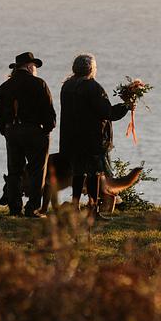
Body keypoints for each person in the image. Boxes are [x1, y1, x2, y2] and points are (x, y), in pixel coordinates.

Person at [59, 53, 131, 219]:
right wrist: (126, 106)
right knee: (94, 174)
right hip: (91, 138)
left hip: (71, 138)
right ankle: (92, 209)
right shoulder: (93, 87)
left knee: (78, 173)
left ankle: (75, 206)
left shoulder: (67, 86)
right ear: (91, 69)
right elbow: (107, 112)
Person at [0, 51, 57, 217]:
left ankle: (15, 207)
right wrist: (47, 129)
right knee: (37, 170)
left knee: (14, 171)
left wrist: (5, 129)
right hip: (35, 131)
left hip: (12, 131)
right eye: (35, 66)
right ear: (30, 67)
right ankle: (33, 208)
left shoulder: (4, 87)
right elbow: (49, 111)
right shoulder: (38, 84)